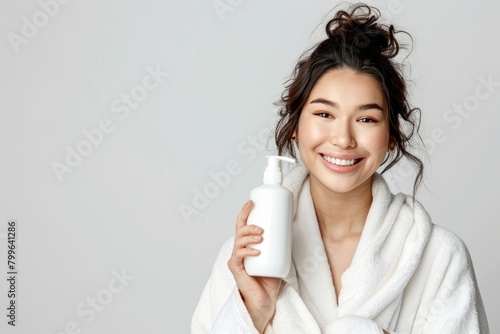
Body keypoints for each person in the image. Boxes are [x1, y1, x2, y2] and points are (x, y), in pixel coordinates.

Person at [191, 3, 489, 333]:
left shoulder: (438, 257)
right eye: (324, 114)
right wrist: (254, 311)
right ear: (295, 126)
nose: (343, 139)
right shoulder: (248, 258)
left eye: (366, 119)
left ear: (391, 136)